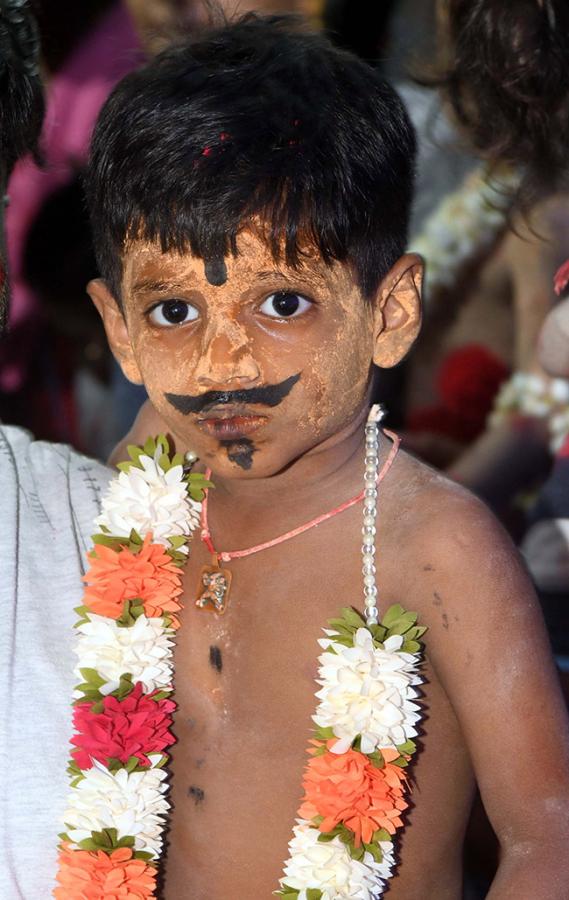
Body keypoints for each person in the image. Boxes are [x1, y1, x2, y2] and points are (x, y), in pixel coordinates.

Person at [4, 11, 569, 899]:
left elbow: (547, 839)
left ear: (388, 313)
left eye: (281, 305)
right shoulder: (140, 495)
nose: (223, 362)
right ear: (117, 331)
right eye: (174, 313)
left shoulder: (435, 549)